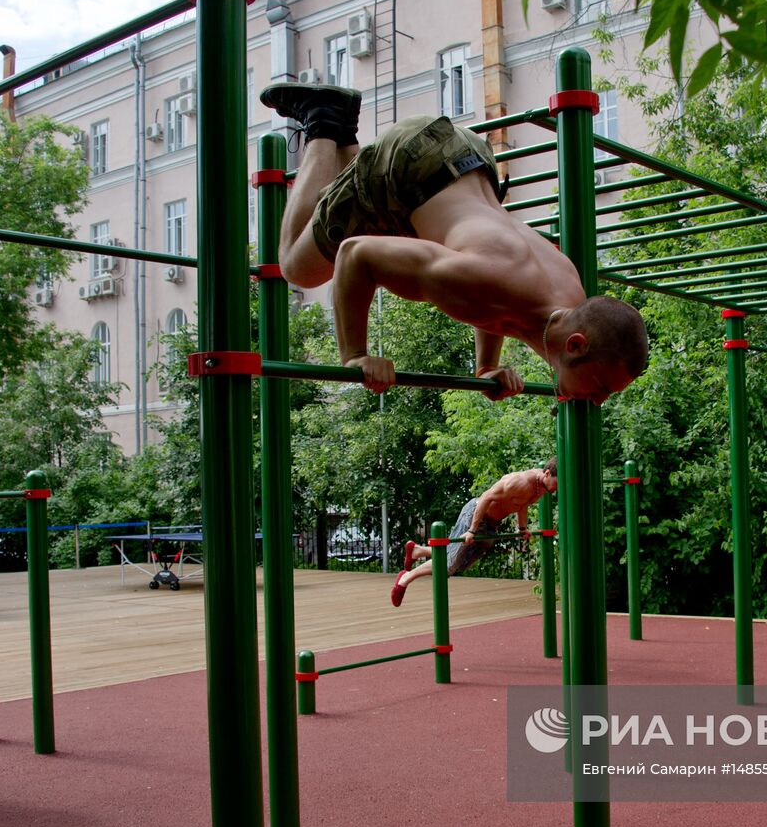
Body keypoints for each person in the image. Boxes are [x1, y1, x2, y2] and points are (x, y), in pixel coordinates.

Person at [261, 83, 648, 403]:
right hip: (415, 162)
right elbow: (356, 254)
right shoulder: (485, 281)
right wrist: (356, 355)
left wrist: (485, 367)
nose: (598, 402)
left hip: (471, 164)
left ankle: (341, 129)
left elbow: (498, 302)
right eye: (600, 389)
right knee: (297, 265)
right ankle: (322, 120)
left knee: (361, 212)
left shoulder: (567, 296)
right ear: (576, 346)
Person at [390, 459, 558, 607]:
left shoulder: (542, 486)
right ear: (547, 473)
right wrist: (472, 529)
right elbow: (485, 497)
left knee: (462, 564)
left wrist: (522, 528)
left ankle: (417, 551)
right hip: (476, 516)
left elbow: (522, 504)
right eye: (556, 483)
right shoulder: (519, 482)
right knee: (449, 565)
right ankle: (405, 578)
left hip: (492, 524)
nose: (556, 488)